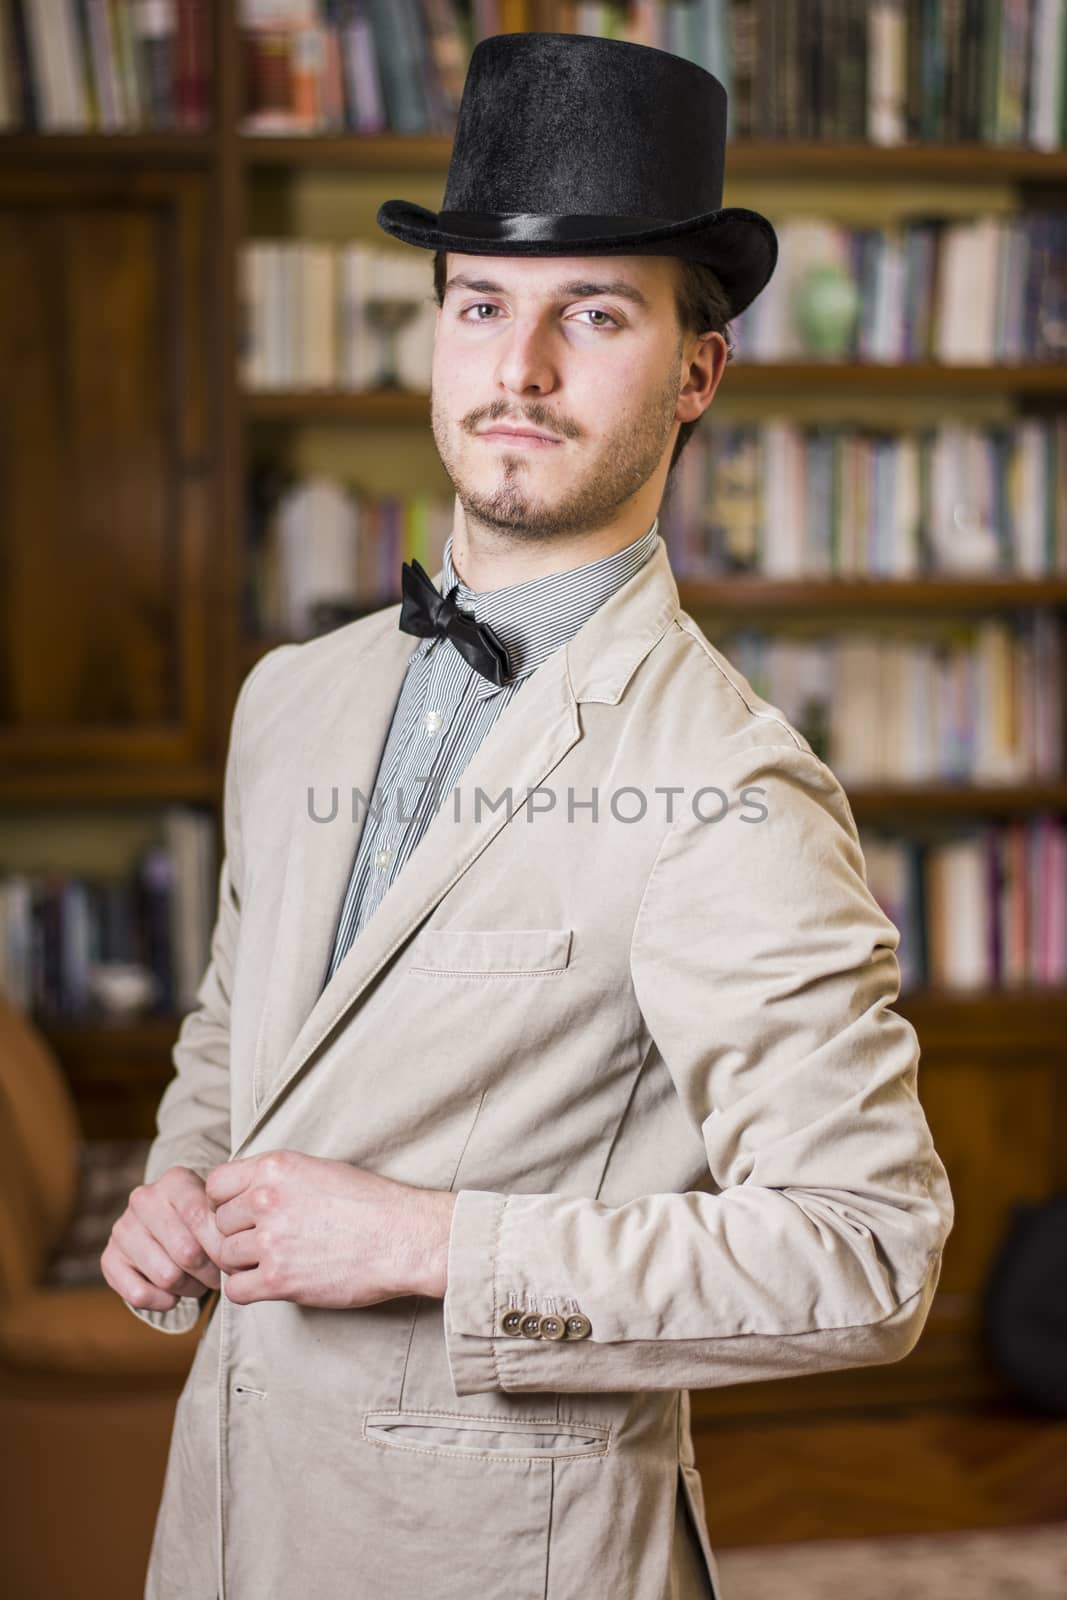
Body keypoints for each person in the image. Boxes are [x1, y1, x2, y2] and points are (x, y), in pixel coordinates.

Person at [103, 32, 955, 1600]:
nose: (522, 369)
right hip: (220, 1524)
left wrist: (433, 1246)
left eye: (596, 315)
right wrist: (178, 1186)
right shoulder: (288, 694)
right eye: (482, 305)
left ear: (698, 370)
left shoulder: (738, 789)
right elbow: (242, 1039)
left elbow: (867, 1252)